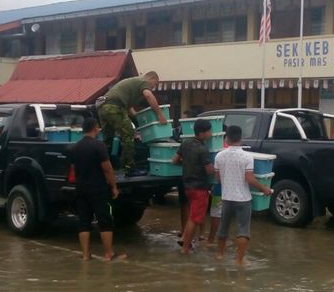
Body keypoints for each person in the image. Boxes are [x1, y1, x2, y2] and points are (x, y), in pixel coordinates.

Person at [214, 125, 273, 266]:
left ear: (226, 138)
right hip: (243, 199)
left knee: (223, 227)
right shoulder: (247, 156)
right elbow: (250, 179)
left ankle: (220, 255)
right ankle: (239, 261)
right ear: (241, 138)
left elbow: (217, 178)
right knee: (243, 230)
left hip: (226, 197)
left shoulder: (219, 155)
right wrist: (264, 188)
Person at [69, 118, 125, 262]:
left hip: (81, 188)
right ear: (94, 128)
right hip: (98, 189)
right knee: (104, 220)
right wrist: (114, 187)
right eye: (98, 128)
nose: (99, 130)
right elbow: (108, 169)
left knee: (83, 222)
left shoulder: (75, 147)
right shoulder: (98, 146)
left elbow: (73, 170)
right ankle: (108, 254)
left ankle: (86, 255)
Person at [97, 71, 166, 177]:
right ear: (152, 78)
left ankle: (101, 167)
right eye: (155, 84)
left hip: (103, 107)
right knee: (128, 135)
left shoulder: (133, 83)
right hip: (114, 107)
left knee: (108, 139)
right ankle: (129, 168)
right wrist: (160, 114)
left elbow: (130, 109)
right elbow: (148, 95)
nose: (153, 87)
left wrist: (139, 119)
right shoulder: (143, 81)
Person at [173, 118, 214, 254]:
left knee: (193, 214)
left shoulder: (186, 143)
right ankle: (185, 247)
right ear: (202, 133)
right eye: (209, 131)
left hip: (187, 186)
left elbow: (175, 161)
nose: (211, 134)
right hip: (200, 188)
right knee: (195, 218)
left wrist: (186, 164)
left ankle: (185, 238)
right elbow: (209, 170)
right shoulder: (203, 149)